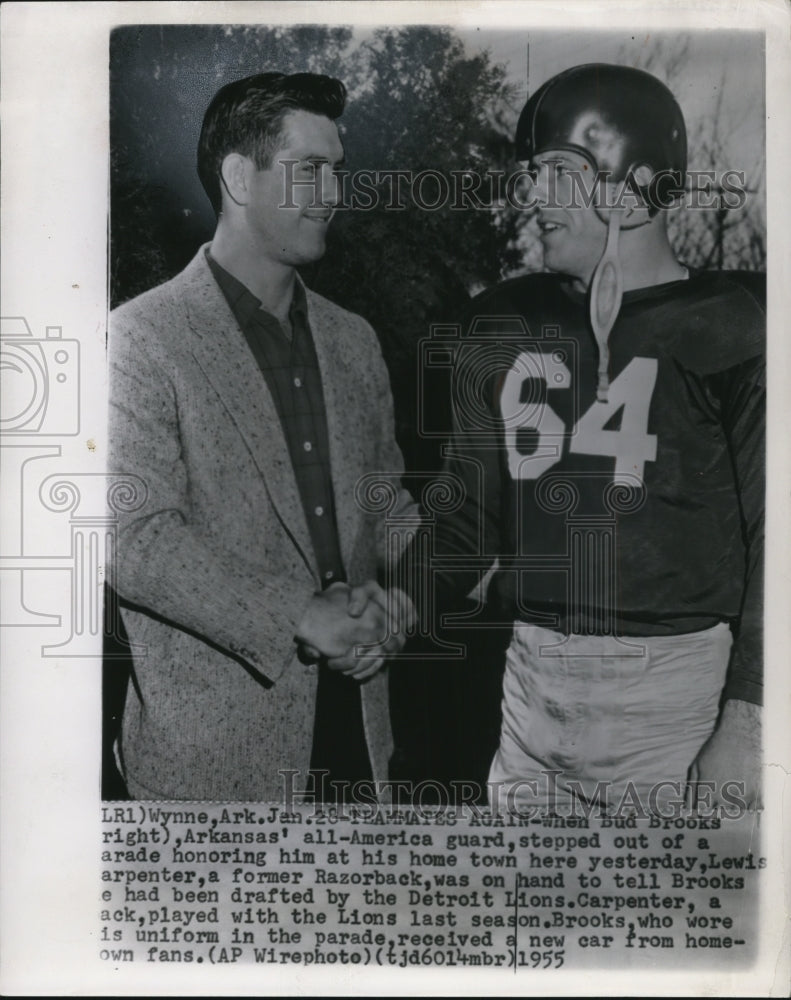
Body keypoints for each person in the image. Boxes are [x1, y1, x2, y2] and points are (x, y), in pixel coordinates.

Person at [405, 63, 764, 814]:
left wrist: (749, 716)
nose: (530, 197)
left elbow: (780, 544)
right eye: (529, 175)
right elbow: (465, 521)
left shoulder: (734, 327)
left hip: (676, 694)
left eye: (555, 173)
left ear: (632, 190)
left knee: (664, 922)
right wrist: (388, 605)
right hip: (529, 681)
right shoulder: (501, 322)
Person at [108, 72, 415, 802]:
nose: (332, 194)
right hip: (211, 763)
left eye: (336, 171)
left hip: (356, 742)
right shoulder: (140, 338)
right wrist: (298, 615)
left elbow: (388, 506)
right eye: (308, 170)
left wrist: (403, 599)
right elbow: (131, 535)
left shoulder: (353, 339)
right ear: (239, 178)